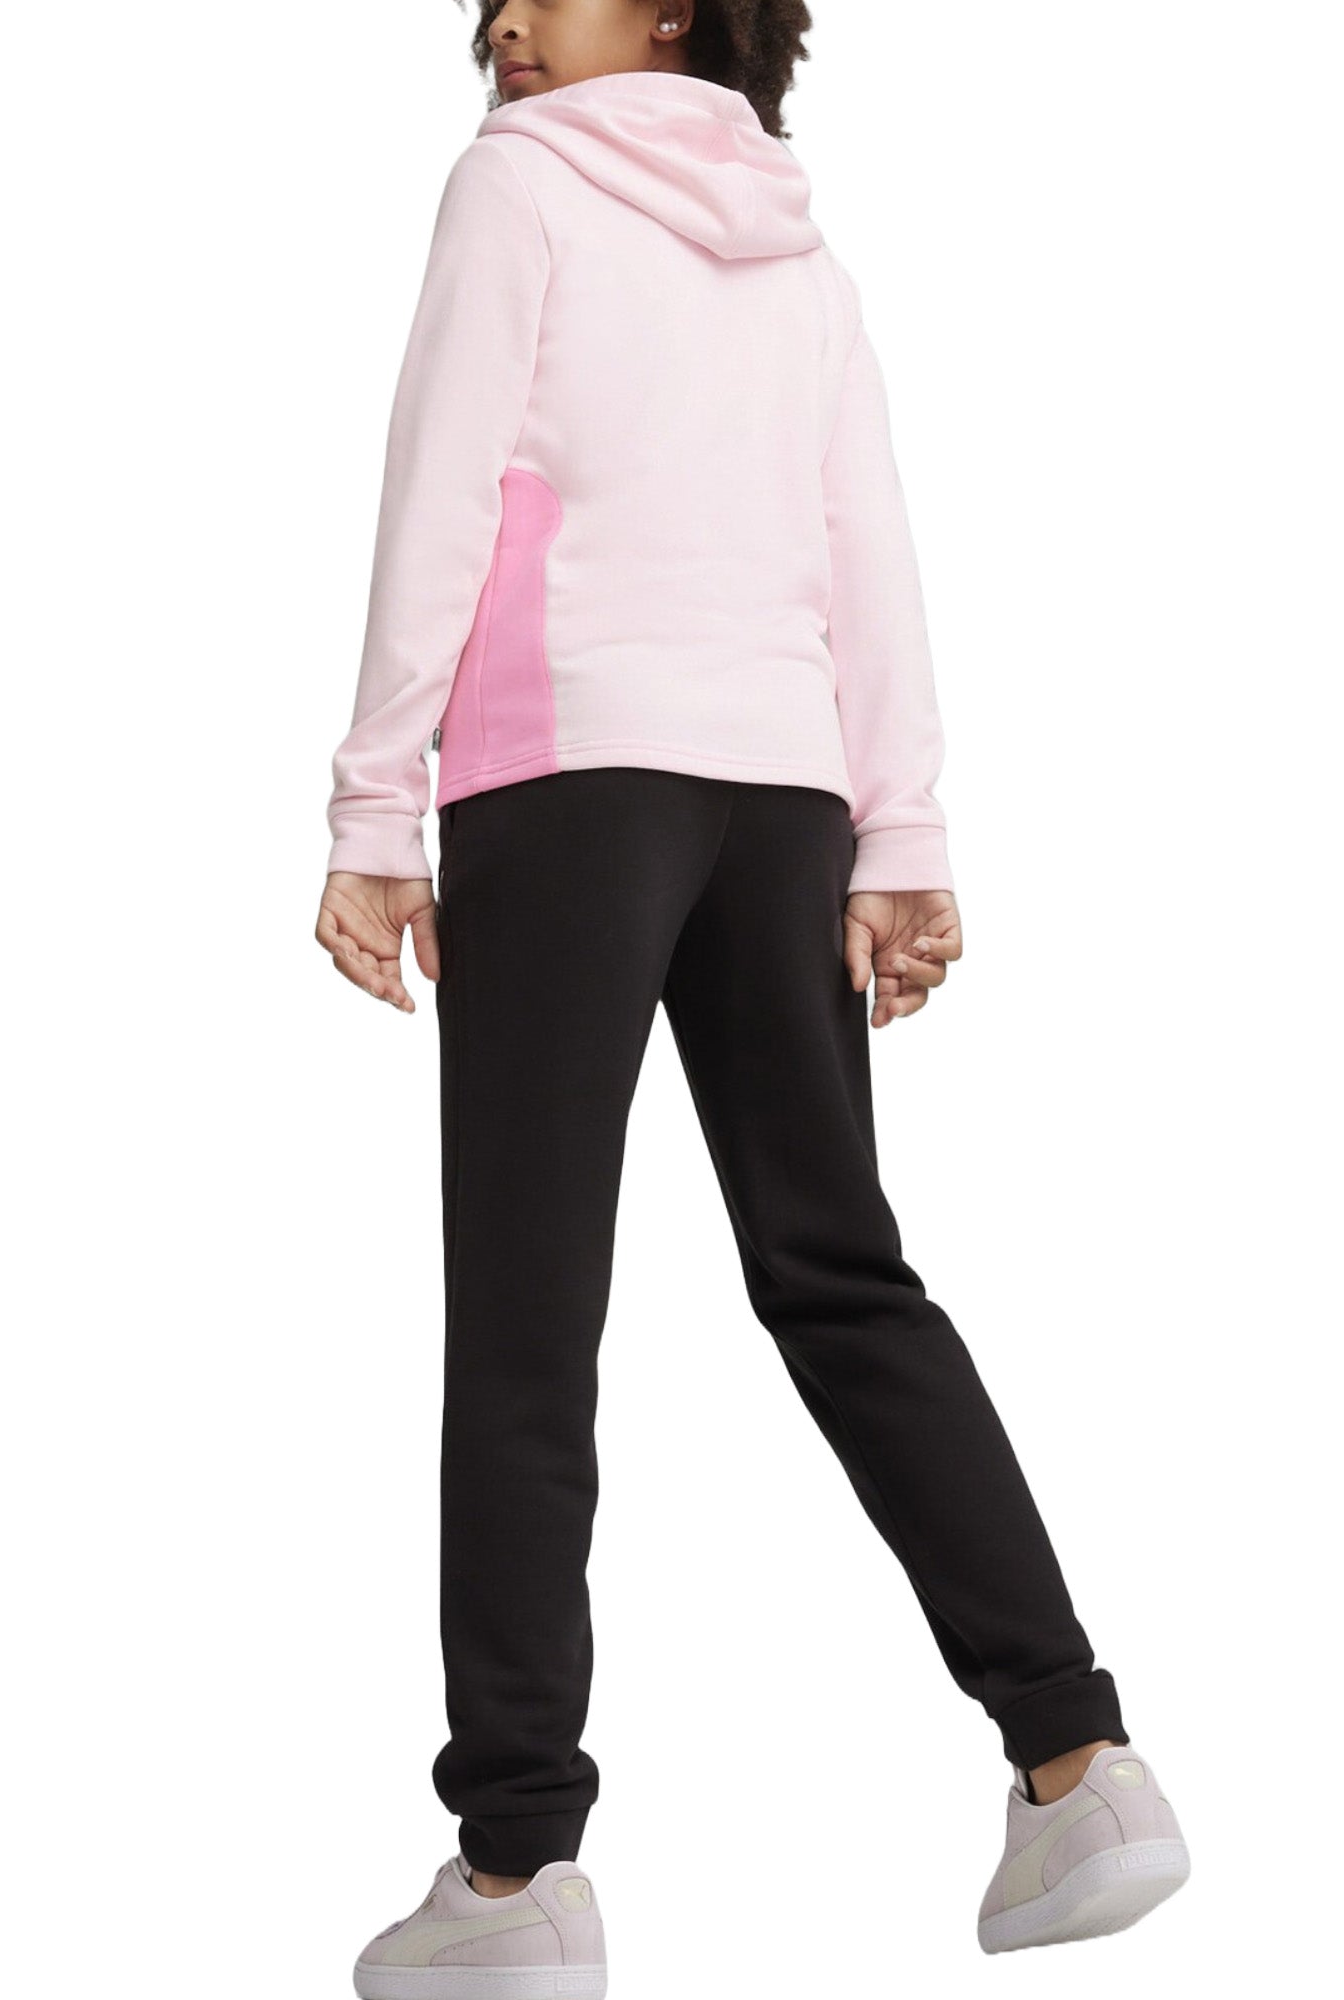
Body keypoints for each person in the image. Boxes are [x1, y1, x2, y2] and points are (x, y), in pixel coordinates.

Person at [315, 6, 1190, 1989]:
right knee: (839, 1266)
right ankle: (1080, 1762)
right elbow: (866, 548)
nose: (510, 19)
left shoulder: (518, 183)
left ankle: (516, 1876)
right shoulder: (800, 241)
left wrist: (376, 805)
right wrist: (900, 834)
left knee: (527, 1319)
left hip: (566, 779)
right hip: (783, 796)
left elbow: (441, 492)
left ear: (681, 7)